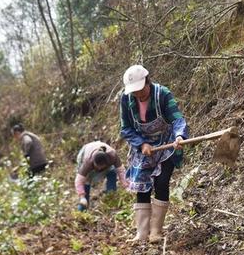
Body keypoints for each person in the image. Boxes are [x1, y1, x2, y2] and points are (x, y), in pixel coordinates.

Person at [119, 65, 189, 243]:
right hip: (143, 146)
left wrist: (180, 136)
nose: (138, 95)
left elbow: (177, 119)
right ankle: (141, 233)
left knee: (162, 181)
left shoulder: (162, 94)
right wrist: (141, 143)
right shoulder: (126, 100)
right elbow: (126, 128)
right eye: (134, 92)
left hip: (166, 144)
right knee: (142, 186)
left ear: (148, 81)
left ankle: (156, 232)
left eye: (141, 90)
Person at [74, 141, 128, 211]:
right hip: (86, 150)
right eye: (97, 167)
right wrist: (82, 197)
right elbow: (79, 181)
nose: (99, 169)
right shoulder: (87, 162)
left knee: (112, 172)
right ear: (94, 162)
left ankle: (111, 197)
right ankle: (82, 211)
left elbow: (121, 171)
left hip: (105, 156)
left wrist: (126, 185)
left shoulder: (112, 156)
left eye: (101, 167)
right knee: (86, 183)